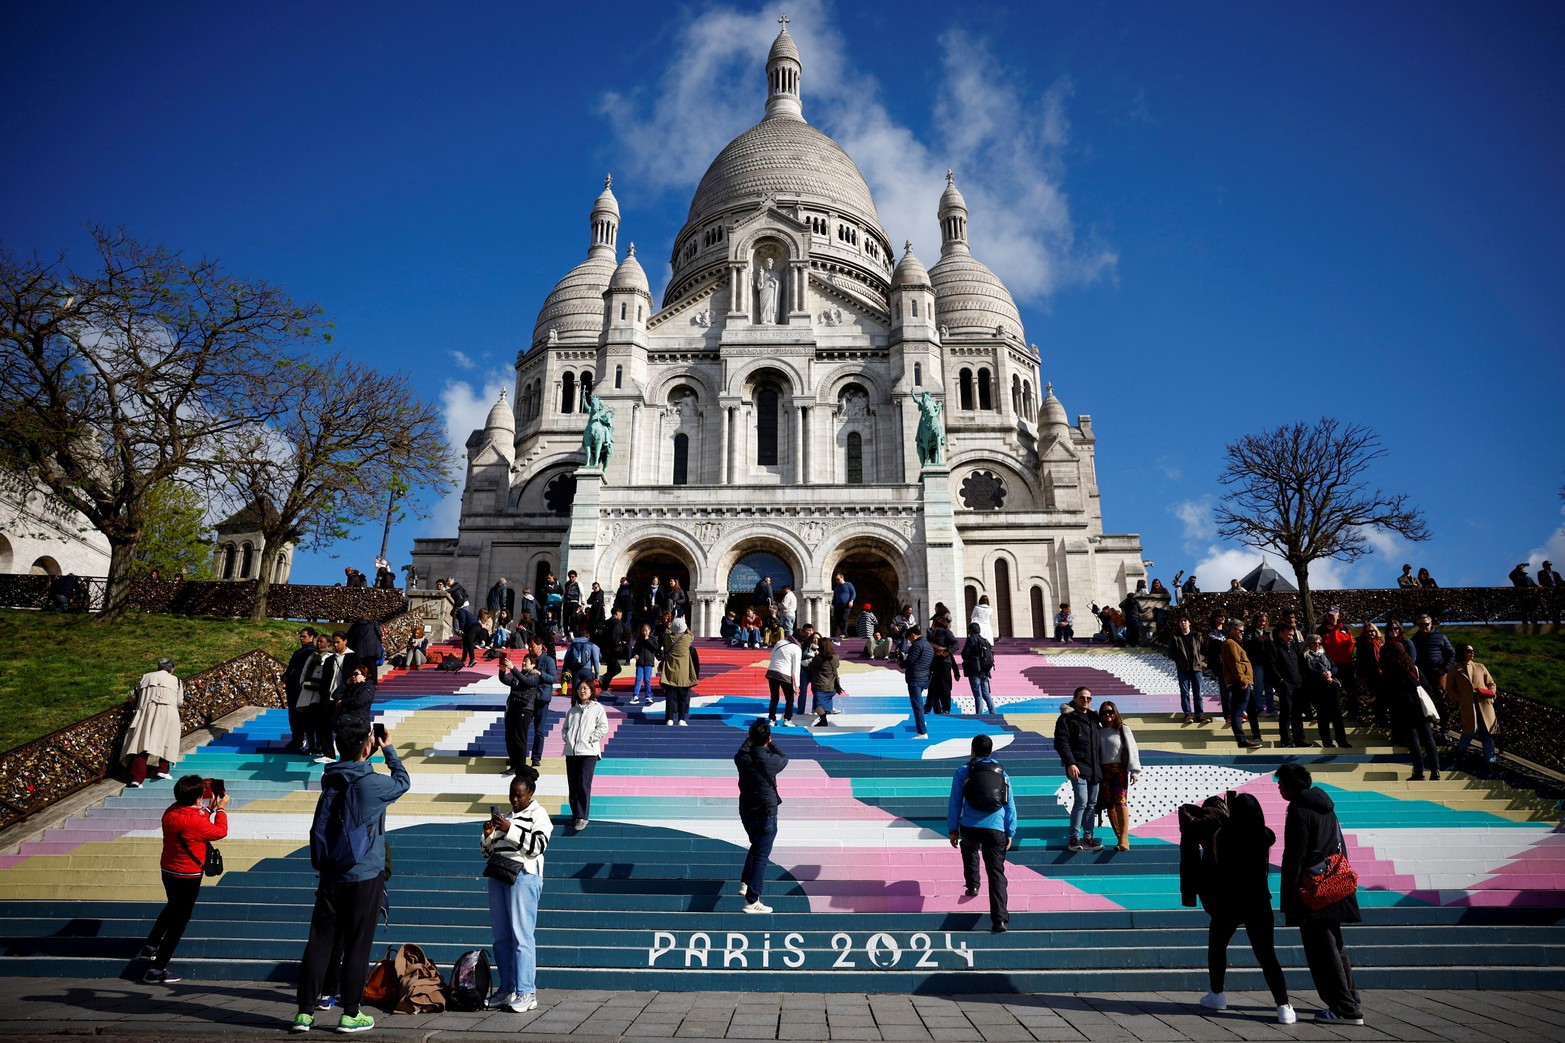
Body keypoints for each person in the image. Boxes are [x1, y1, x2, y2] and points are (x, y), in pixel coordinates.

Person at [292, 723, 409, 1035]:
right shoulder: (371, 784)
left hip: (330, 874)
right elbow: (403, 781)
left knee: (319, 941)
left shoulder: (329, 778)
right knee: (358, 943)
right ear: (366, 748)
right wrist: (389, 750)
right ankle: (351, 1013)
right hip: (364, 874)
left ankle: (304, 1014)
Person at [1179, 792, 1294, 1024]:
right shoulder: (1265, 836)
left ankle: (1217, 994)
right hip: (1259, 903)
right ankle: (1284, 1006)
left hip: (1227, 903)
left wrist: (1219, 812)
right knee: (1267, 955)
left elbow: (1191, 818)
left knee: (1217, 946)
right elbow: (1264, 832)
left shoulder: (1220, 835)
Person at [1275, 763, 1364, 1026]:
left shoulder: (1299, 812)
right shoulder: (1327, 808)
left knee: (1322, 952)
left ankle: (1344, 1009)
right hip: (1333, 886)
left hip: (1312, 892)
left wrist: (1290, 897)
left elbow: (1294, 857)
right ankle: (1351, 1002)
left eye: (1281, 783)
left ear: (1292, 786)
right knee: (1337, 947)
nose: (1279, 787)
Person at [140, 774, 228, 983]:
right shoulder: (195, 820)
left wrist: (209, 809)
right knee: (180, 920)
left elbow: (194, 822)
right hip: (188, 874)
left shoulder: (171, 811)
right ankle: (157, 969)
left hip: (169, 869)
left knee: (172, 906)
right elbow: (219, 831)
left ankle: (151, 944)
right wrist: (222, 809)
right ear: (198, 798)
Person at [481, 767, 553, 1013]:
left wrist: (509, 828)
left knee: (522, 937)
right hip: (499, 875)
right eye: (512, 794)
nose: (514, 799)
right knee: (501, 939)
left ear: (530, 793)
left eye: (519, 795)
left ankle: (527, 992)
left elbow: (537, 847)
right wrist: (488, 836)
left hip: (524, 876)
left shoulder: (539, 814)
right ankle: (507, 989)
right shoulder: (508, 816)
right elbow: (487, 853)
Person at [947, 733, 1017, 933]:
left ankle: (973, 884)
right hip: (995, 828)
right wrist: (1010, 831)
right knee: (996, 873)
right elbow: (1009, 804)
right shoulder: (1002, 773)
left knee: (968, 847)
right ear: (991, 751)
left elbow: (955, 802)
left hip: (969, 826)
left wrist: (953, 829)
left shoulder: (963, 771)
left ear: (973, 750)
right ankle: (1000, 920)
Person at [735, 718, 788, 914]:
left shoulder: (741, 758)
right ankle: (752, 900)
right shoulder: (771, 760)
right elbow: (784, 757)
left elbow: (744, 747)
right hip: (766, 811)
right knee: (761, 855)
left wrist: (754, 737)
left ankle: (745, 883)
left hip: (747, 810)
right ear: (767, 738)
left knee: (756, 846)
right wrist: (770, 742)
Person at [1380, 639, 1440, 780]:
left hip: (1402, 707)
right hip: (1419, 706)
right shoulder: (1414, 668)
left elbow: (1385, 691)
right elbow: (1428, 687)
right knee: (1428, 738)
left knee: (1413, 740)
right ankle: (1435, 770)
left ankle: (1419, 771)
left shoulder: (1389, 670)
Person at [122, 658, 184, 788]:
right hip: (169, 712)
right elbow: (179, 702)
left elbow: (132, 695)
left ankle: (136, 779)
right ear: (171, 669)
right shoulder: (176, 680)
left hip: (146, 711)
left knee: (141, 744)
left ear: (158, 667)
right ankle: (163, 770)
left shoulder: (145, 677)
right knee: (168, 740)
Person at [1054, 687, 1102, 852]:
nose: (1086, 701)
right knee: (1081, 802)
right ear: (1074, 699)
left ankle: (1088, 838)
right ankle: (1074, 838)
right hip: (1078, 767)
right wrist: (1070, 763)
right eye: (1082, 698)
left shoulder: (1094, 718)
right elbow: (1061, 742)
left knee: (1091, 804)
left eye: (1089, 698)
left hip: (1095, 768)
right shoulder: (1067, 718)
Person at [561, 678, 609, 830]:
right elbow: (565, 729)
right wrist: (567, 738)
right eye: (580, 688)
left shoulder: (597, 708)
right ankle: (575, 815)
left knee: (583, 784)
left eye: (585, 688)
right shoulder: (572, 710)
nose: (582, 691)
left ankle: (582, 816)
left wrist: (590, 739)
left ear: (591, 691)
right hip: (571, 752)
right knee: (573, 785)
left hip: (588, 752)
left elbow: (603, 727)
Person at [1096, 701, 1141, 850]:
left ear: (1115, 712)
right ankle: (1119, 839)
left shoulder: (1122, 729)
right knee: (1110, 804)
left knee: (1120, 801)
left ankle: (1124, 838)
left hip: (1119, 770)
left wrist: (1134, 770)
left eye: (1110, 711)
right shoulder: (1099, 731)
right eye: (1103, 712)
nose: (1107, 715)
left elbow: (1132, 748)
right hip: (1104, 771)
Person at [1448, 643, 1500, 765]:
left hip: (1484, 704)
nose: (1472, 653)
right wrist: (1457, 700)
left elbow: (1491, 683)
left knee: (1487, 732)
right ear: (1462, 652)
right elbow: (1450, 688)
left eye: (1473, 650)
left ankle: (1490, 761)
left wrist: (1491, 695)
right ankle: (1460, 751)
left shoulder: (1480, 667)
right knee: (1471, 729)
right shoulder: (1454, 670)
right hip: (1468, 705)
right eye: (1468, 651)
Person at [1303, 634, 1351, 748]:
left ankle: (1342, 740)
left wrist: (1330, 673)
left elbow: (1334, 667)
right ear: (1309, 644)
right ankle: (1327, 741)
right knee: (1323, 716)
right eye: (1314, 643)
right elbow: (1308, 671)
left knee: (1337, 716)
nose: (1317, 645)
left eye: (1319, 643)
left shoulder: (1324, 655)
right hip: (1318, 689)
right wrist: (1323, 675)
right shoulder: (1305, 657)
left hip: (1331, 687)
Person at [497, 651, 541, 776]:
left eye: (525, 662)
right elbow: (505, 679)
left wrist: (513, 668)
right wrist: (502, 670)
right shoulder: (518, 674)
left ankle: (520, 765)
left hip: (525, 709)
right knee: (510, 737)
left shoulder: (534, 676)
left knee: (519, 738)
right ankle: (513, 762)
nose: (523, 663)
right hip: (512, 708)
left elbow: (526, 681)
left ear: (533, 665)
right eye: (522, 661)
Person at [1221, 620, 1263, 749]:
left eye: (1243, 631)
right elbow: (1235, 664)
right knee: (1238, 711)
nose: (1242, 633)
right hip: (1240, 683)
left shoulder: (1235, 644)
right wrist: (1243, 680)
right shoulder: (1230, 643)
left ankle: (1256, 735)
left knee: (1251, 709)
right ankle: (1241, 739)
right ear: (1232, 630)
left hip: (1244, 682)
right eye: (1239, 631)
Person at [1271, 622, 1311, 747]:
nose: (1291, 637)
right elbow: (1271, 665)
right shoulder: (1274, 647)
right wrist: (1280, 680)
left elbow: (1302, 660)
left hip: (1298, 684)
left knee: (1297, 713)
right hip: (1285, 684)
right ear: (1280, 633)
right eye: (1288, 634)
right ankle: (1285, 740)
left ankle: (1300, 739)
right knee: (1286, 712)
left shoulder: (1294, 647)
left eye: (1292, 635)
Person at [283, 628, 319, 754]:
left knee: (304, 717)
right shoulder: (299, 652)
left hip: (303, 688)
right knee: (294, 715)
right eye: (301, 636)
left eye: (304, 636)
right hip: (294, 686)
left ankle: (308, 742)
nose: (301, 638)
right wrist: (286, 676)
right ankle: (297, 739)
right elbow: (291, 667)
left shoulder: (312, 652)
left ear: (311, 637)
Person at [1168, 616, 1209, 724]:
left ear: (1189, 622)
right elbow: (1171, 652)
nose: (1183, 622)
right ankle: (1188, 715)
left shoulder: (1197, 635)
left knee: (1198, 693)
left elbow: (1204, 650)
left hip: (1196, 668)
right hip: (1183, 669)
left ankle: (1199, 715)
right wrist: (1178, 660)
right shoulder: (1175, 637)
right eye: (1181, 621)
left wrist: (1200, 659)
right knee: (1184, 693)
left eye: (1185, 620)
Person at [1410, 613, 1456, 709]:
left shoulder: (1441, 637)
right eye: (1420, 625)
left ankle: (1446, 721)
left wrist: (1444, 669)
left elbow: (1451, 654)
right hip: (1422, 674)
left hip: (1438, 673)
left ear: (1431, 624)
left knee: (1442, 698)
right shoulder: (1414, 640)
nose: (1424, 627)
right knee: (1425, 698)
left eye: (1426, 624)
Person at [525, 635, 557, 767]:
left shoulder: (548, 660)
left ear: (540, 645)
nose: (530, 649)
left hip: (541, 698)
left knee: (539, 731)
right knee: (522, 730)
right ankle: (519, 756)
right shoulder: (527, 658)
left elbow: (553, 678)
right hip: (527, 698)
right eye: (529, 646)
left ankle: (536, 757)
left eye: (532, 646)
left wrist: (540, 673)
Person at [659, 618, 698, 726]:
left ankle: (669, 719)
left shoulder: (668, 638)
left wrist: (670, 625)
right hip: (684, 672)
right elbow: (690, 633)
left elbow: (666, 632)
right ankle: (681, 719)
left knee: (670, 696)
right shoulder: (687, 638)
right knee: (683, 697)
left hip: (670, 672)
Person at [926, 611, 961, 715]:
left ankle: (946, 709)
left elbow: (956, 644)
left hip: (944, 663)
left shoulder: (945, 633)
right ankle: (927, 709)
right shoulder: (933, 635)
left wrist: (946, 652)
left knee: (944, 686)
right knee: (933, 687)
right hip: (935, 663)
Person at [765, 628, 801, 724]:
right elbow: (796, 668)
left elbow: (771, 656)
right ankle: (787, 719)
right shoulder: (797, 649)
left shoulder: (780, 642)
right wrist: (797, 685)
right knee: (789, 698)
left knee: (774, 697)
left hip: (772, 672)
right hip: (785, 674)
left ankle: (772, 719)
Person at [902, 626, 932, 739]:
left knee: (917, 705)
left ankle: (922, 732)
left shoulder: (917, 645)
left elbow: (910, 661)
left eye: (909, 638)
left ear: (913, 635)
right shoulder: (928, 645)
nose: (910, 641)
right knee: (919, 704)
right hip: (925, 678)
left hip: (915, 678)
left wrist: (901, 663)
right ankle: (921, 722)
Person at [962, 622, 996, 714]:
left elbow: (964, 654)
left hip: (975, 670)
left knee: (978, 695)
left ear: (971, 630)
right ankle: (993, 713)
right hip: (985, 671)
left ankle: (979, 715)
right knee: (986, 694)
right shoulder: (985, 641)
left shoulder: (971, 639)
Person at [809, 637, 842, 727]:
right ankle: (825, 714)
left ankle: (823, 720)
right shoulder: (836, 657)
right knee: (826, 703)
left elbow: (811, 666)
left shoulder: (818, 659)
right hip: (832, 685)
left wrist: (815, 655)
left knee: (818, 705)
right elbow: (837, 665)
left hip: (820, 685)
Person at [629, 622, 659, 706]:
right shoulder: (639, 639)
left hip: (649, 662)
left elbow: (655, 648)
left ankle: (648, 696)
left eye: (646, 630)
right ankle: (635, 696)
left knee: (647, 679)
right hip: (640, 662)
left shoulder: (653, 638)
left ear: (649, 630)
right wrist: (635, 654)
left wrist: (647, 639)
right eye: (643, 631)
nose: (645, 632)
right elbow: (635, 649)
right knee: (638, 679)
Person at [830, 571, 856, 640]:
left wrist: (851, 601)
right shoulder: (837, 588)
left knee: (845, 618)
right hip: (837, 605)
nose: (837, 581)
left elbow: (853, 593)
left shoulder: (848, 584)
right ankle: (844, 632)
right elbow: (835, 597)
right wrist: (833, 605)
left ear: (842, 578)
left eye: (838, 579)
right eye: (836, 580)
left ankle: (844, 633)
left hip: (846, 604)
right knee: (838, 620)